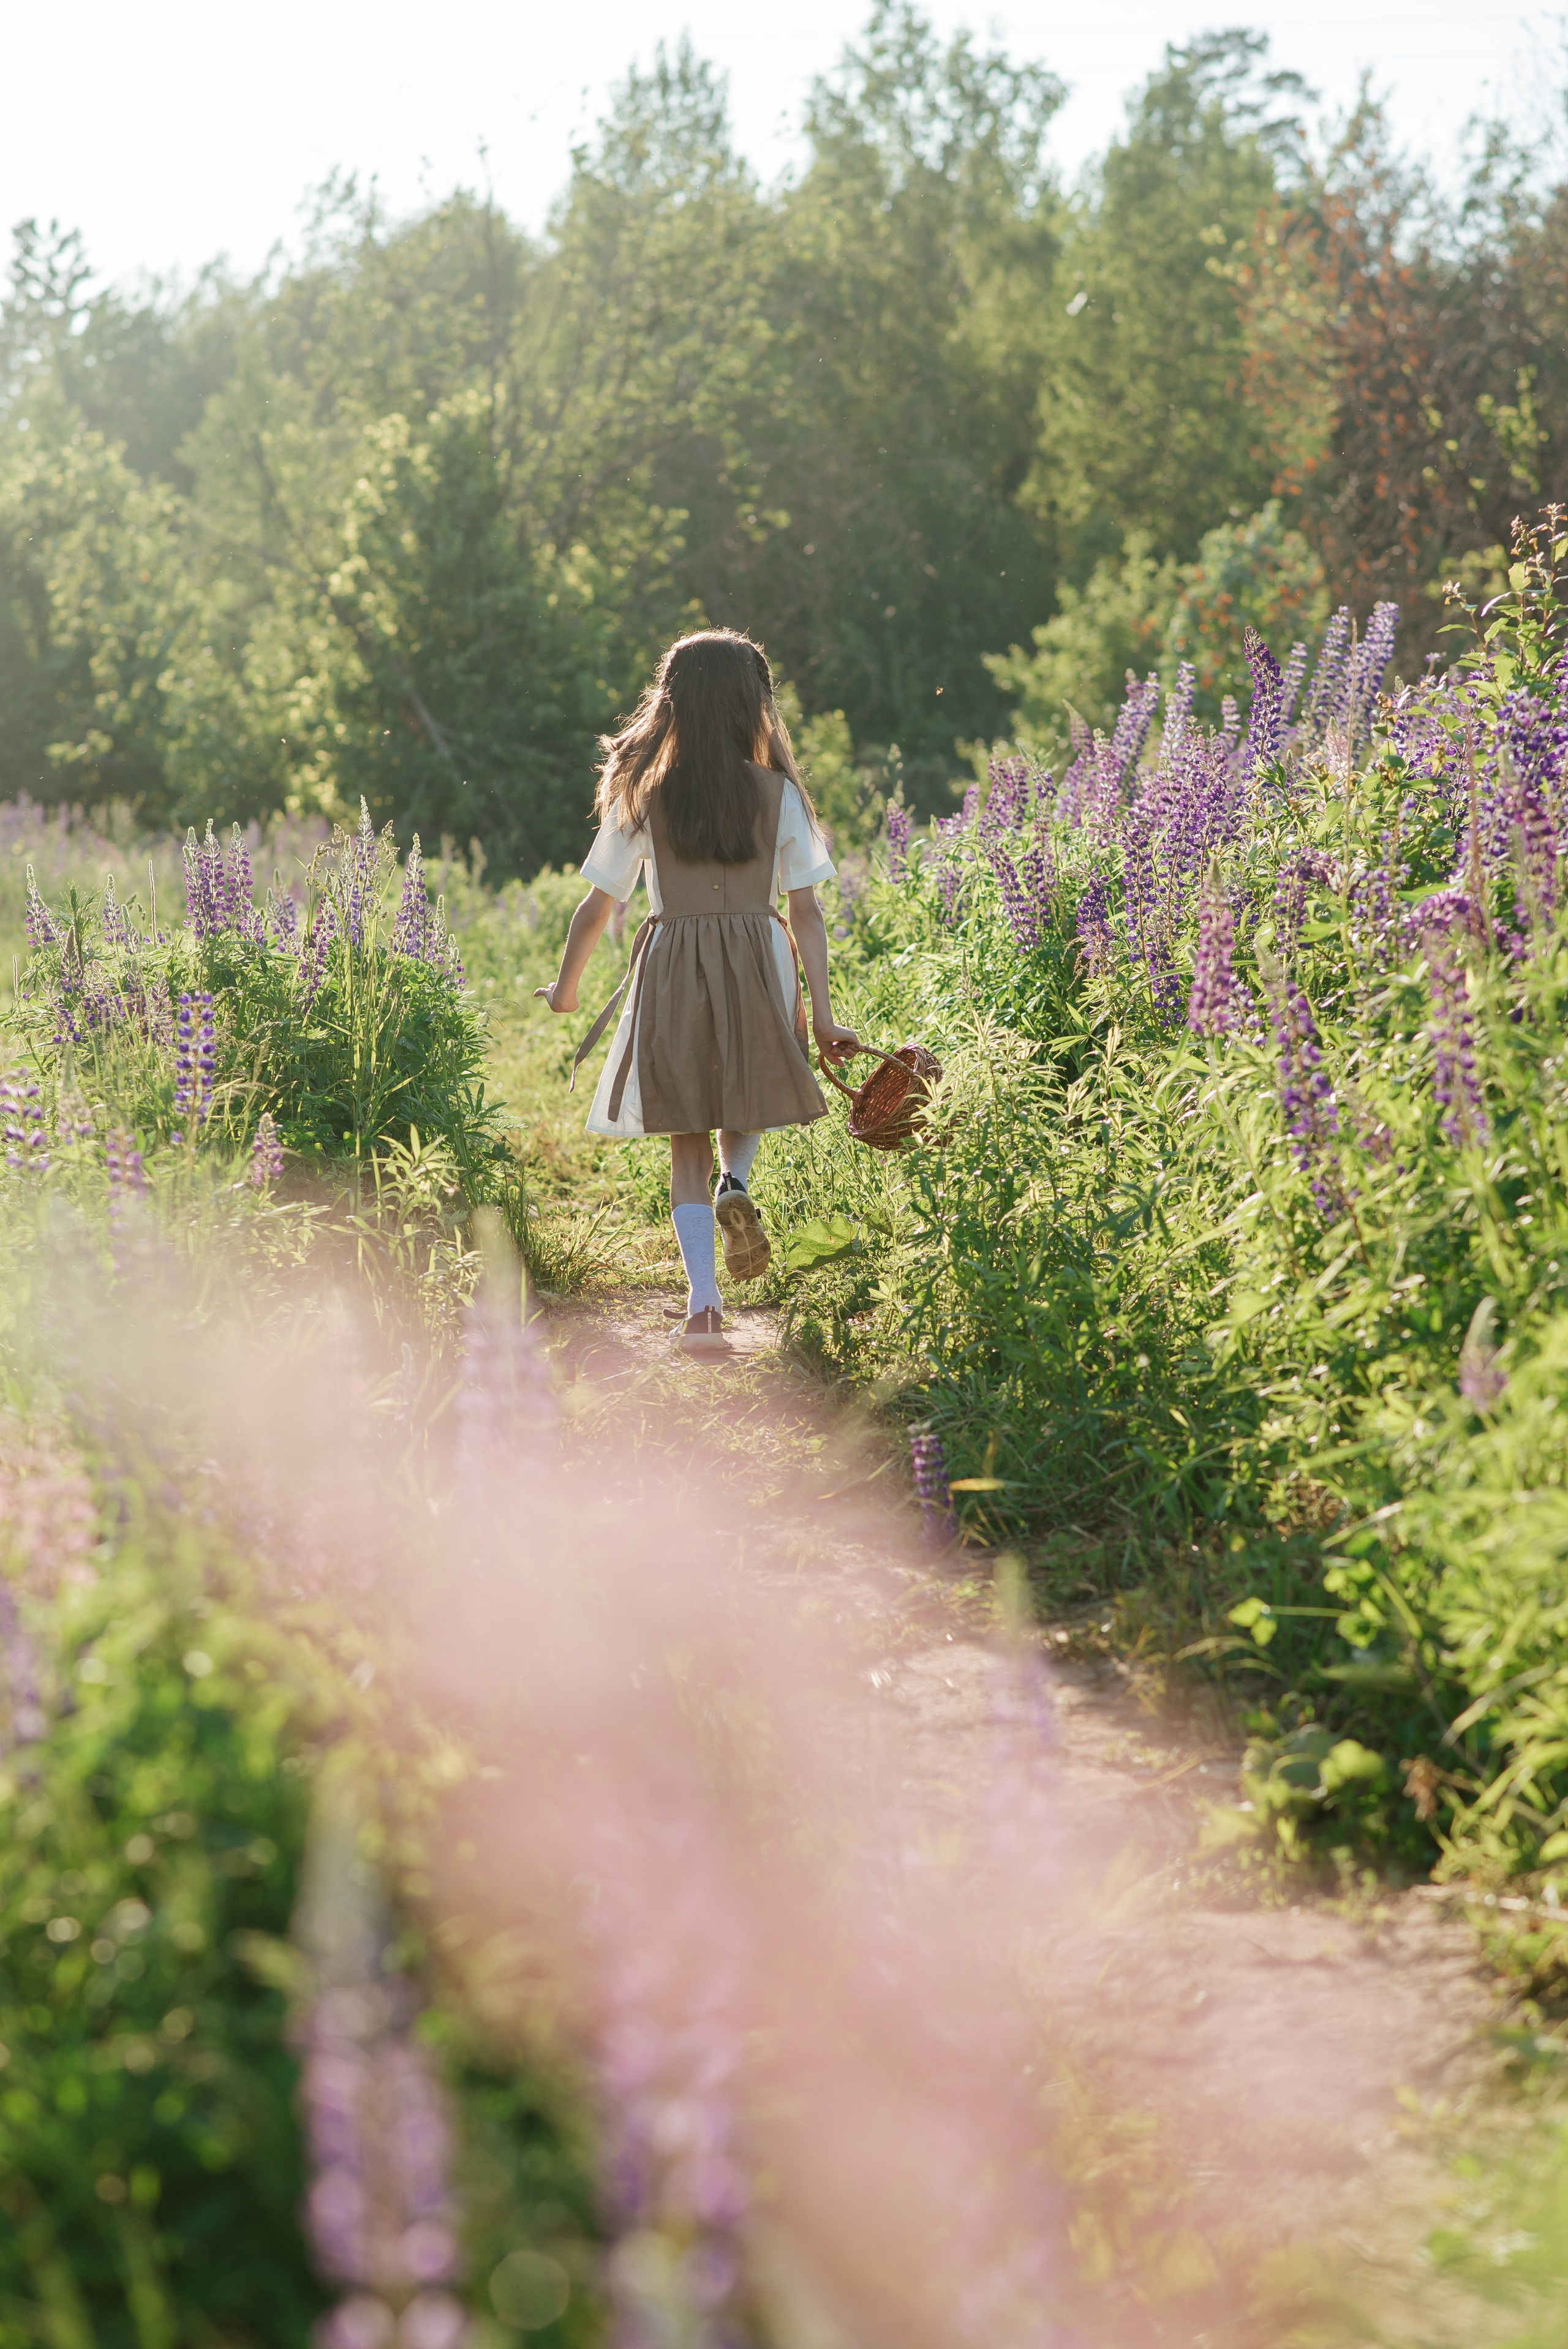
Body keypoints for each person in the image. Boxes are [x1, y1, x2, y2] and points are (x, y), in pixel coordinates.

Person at [536, 630, 860, 1353]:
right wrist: (828, 1014)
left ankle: (703, 1310)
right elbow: (806, 914)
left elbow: (598, 907)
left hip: (672, 958)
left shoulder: (645, 794)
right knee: (742, 1093)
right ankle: (734, 1183)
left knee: (686, 1133)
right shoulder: (778, 796)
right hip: (760, 953)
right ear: (754, 706)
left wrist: (565, 990)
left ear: (673, 704)